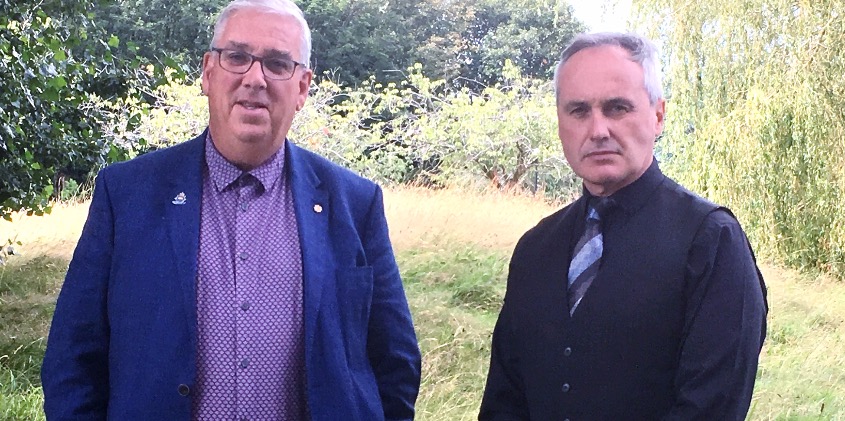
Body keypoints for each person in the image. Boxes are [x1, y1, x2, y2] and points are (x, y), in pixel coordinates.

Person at [40, 1, 421, 419]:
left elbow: (395, 362)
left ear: (302, 88)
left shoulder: (355, 204)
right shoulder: (127, 195)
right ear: (208, 72)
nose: (254, 78)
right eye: (237, 57)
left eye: (277, 64)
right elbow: (73, 357)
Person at [479, 32, 768, 420]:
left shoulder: (711, 240)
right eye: (578, 111)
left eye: (617, 108)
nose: (598, 130)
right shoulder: (536, 248)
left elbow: (711, 408)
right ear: (560, 122)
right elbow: (504, 400)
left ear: (658, 116)